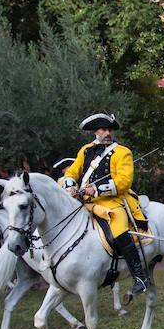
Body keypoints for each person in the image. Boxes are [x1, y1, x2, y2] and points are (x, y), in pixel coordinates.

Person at [61, 113, 150, 298]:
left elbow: (124, 181)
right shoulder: (85, 150)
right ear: (95, 131)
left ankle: (140, 277)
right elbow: (72, 173)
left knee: (119, 230)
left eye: (110, 129)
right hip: (85, 203)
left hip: (113, 202)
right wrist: (69, 185)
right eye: (104, 129)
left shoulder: (122, 152)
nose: (108, 132)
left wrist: (96, 189)